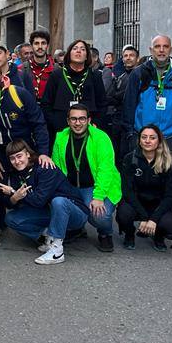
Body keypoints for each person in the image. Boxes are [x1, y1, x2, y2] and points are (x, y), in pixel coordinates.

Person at [0, 62, 52, 246]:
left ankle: (36, 223)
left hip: (25, 152)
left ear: (2, 75)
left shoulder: (18, 93)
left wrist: (42, 152)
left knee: (29, 188)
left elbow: (39, 123)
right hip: (1, 153)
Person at [0, 139, 91, 264]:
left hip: (74, 213)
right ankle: (48, 238)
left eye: (19, 156)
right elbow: (16, 205)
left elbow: (38, 201)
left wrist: (14, 192)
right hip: (50, 212)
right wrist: (14, 197)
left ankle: (57, 251)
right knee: (11, 218)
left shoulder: (44, 167)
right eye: (12, 158)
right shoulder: (17, 174)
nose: (17, 161)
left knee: (58, 201)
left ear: (28, 154)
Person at [50, 104, 120, 252]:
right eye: (74, 119)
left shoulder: (101, 138)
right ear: (68, 121)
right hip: (71, 187)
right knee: (57, 205)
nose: (78, 123)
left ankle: (105, 233)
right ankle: (77, 228)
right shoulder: (60, 138)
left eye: (82, 119)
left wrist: (99, 197)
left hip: (94, 186)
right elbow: (57, 168)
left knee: (100, 215)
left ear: (88, 120)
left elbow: (105, 170)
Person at [122, 35, 172, 163]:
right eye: (157, 46)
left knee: (169, 181)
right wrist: (131, 134)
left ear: (170, 50)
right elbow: (128, 105)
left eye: (165, 46)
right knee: (142, 180)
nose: (161, 50)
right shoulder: (138, 73)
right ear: (151, 50)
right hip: (143, 137)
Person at [117, 125, 172, 251]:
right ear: (139, 140)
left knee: (169, 225)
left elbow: (170, 195)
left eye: (152, 138)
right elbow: (127, 191)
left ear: (159, 140)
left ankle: (159, 236)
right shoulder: (130, 158)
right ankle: (129, 235)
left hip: (157, 204)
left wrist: (153, 219)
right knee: (123, 214)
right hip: (135, 202)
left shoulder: (169, 161)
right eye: (144, 137)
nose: (147, 141)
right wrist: (144, 217)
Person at [42, 39, 108, 138]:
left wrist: (96, 123)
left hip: (88, 129)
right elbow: (46, 103)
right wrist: (54, 123)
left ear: (86, 56)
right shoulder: (57, 75)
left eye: (83, 49)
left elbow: (102, 103)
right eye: (75, 48)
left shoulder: (95, 76)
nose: (78, 51)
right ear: (69, 54)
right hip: (61, 128)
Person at [105, 45, 140, 160]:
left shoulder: (141, 76)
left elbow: (124, 96)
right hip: (118, 120)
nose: (128, 58)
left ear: (137, 58)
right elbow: (112, 94)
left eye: (131, 55)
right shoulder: (122, 76)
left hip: (134, 123)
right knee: (118, 155)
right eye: (125, 56)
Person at [25, 30, 55, 103]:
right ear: (31, 46)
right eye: (36, 43)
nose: (40, 47)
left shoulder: (56, 69)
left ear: (47, 45)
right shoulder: (22, 69)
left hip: (50, 111)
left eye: (43, 43)